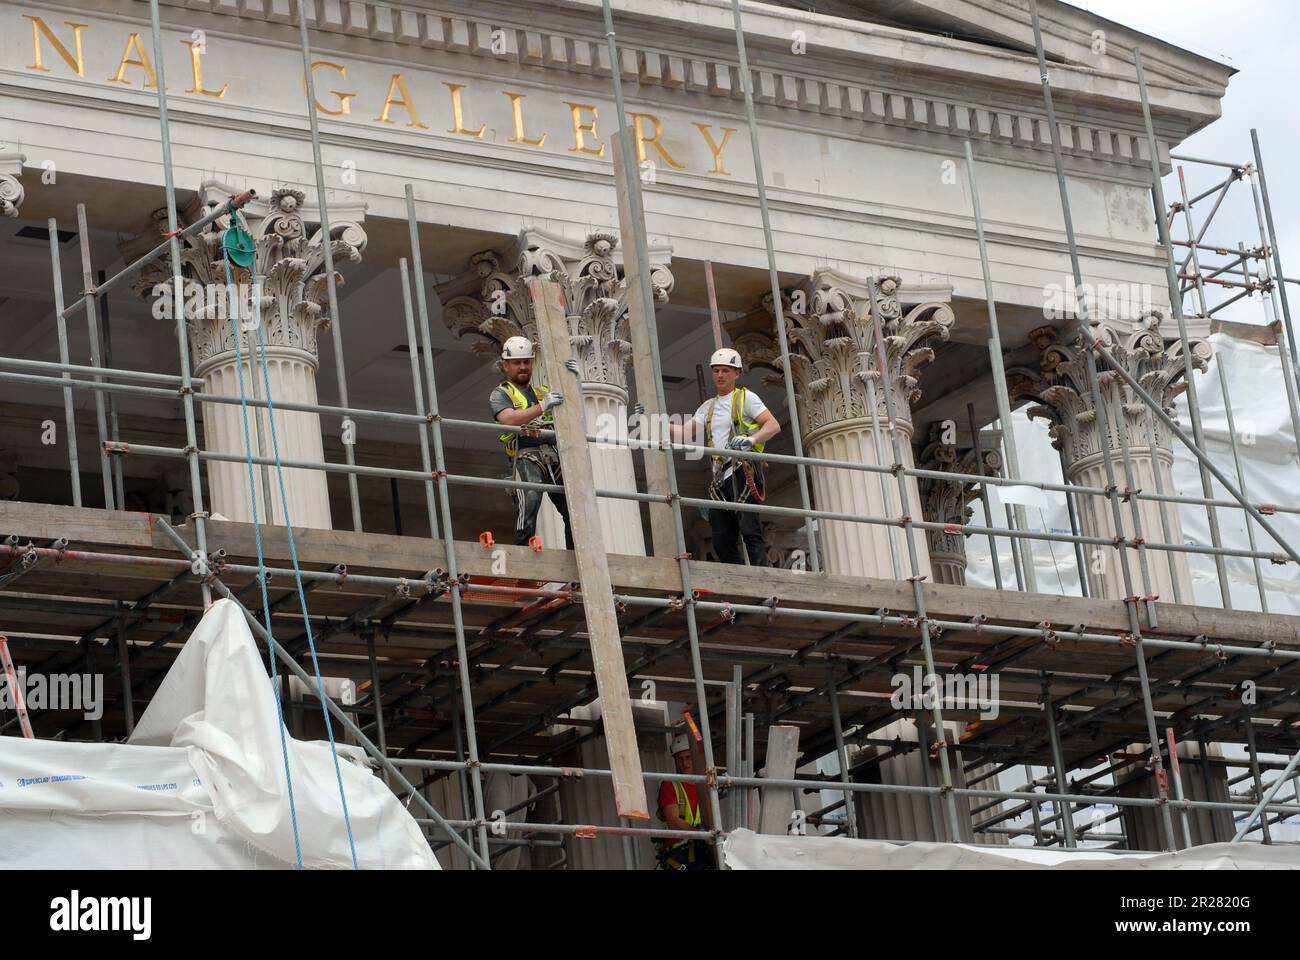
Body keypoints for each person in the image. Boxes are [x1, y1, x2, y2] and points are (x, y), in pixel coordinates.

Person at [667, 347, 781, 565]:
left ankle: (762, 578)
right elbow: (683, 432)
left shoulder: (746, 398)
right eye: (717, 370)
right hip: (721, 477)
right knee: (721, 540)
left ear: (736, 373)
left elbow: (773, 425)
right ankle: (740, 579)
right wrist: (652, 421)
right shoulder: (708, 407)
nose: (720, 375)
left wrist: (751, 440)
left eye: (726, 371)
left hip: (742, 469)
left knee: (750, 530)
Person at [490, 336, 578, 549]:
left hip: (553, 453)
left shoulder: (541, 393)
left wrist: (575, 382)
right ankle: (522, 555)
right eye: (517, 362)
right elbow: (508, 419)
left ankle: (574, 559)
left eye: (526, 362)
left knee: (573, 509)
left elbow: (572, 415)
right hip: (526, 454)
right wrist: (542, 407)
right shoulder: (501, 393)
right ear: (505, 365)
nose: (522, 367)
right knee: (529, 502)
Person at [655, 733, 715, 870]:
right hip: (679, 850)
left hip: (701, 847)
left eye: (688, 758)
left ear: (695, 758)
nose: (684, 763)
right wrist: (701, 834)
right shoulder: (671, 785)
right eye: (680, 759)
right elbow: (673, 821)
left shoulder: (705, 784)